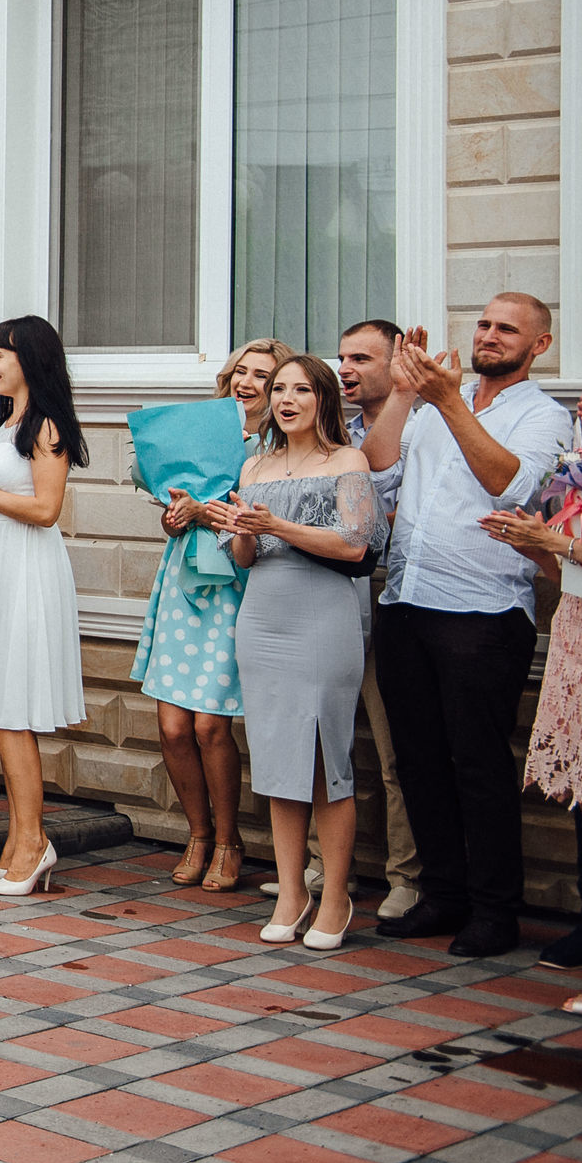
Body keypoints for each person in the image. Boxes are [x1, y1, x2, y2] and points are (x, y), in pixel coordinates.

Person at [363, 293, 573, 957]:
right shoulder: (426, 407)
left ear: (537, 345)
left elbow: (513, 487)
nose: (489, 335)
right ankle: (444, 893)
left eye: (507, 328)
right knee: (419, 759)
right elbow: (375, 470)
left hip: (483, 613)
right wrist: (401, 393)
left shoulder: (544, 416)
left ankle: (494, 910)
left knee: (479, 765)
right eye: (483, 323)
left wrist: (450, 401)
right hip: (406, 602)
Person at [207, 354, 387, 951]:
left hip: (323, 618)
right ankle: (291, 890)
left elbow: (356, 544)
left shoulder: (347, 461)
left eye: (299, 389)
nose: (284, 399)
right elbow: (246, 560)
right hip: (262, 618)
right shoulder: (255, 466)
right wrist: (238, 529)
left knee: (324, 763)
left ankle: (335, 893)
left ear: (323, 399)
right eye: (277, 389)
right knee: (279, 760)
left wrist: (279, 527)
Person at [134, 339, 287, 892]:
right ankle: (196, 835)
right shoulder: (203, 433)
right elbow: (175, 510)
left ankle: (228, 841)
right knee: (173, 726)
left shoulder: (278, 449)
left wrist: (209, 513)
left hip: (238, 584)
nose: (248, 383)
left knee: (210, 725)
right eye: (241, 372)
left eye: (263, 376)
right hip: (182, 580)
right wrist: (177, 518)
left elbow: (264, 528)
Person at [0, 316, 89, 893]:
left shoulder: (47, 424)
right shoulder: (8, 421)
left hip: (29, 570)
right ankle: (15, 843)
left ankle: (33, 844)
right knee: (3, 713)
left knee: (12, 714)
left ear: (28, 358)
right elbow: (4, 503)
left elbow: (46, 508)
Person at [485, 354, 582, 1005]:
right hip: (578, 635)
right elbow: (562, 569)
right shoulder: (579, 468)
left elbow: (572, 550)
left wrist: (556, 545)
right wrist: (529, 540)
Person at [334, 318, 424, 921]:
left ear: (396, 363)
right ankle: (326, 867)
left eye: (362, 358)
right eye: (342, 357)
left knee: (394, 748)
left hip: (393, 591)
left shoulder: (426, 425)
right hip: (335, 593)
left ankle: (407, 875)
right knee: (331, 740)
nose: (346, 368)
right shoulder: (330, 428)